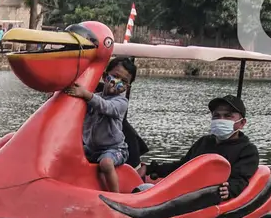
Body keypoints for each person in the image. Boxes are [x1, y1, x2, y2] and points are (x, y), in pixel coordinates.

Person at [138, 95, 259, 200]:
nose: (221, 120)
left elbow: (240, 179)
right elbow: (182, 167)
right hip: (190, 191)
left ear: (242, 123)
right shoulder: (204, 142)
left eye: (228, 116)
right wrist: (151, 169)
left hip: (213, 197)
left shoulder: (248, 150)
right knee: (143, 190)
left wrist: (230, 190)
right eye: (216, 116)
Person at [64, 56, 137, 194]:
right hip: (92, 148)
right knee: (68, 155)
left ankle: (116, 196)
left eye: (124, 81)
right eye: (115, 76)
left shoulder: (121, 103)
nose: (117, 82)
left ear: (127, 87)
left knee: (106, 163)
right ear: (105, 76)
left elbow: (106, 106)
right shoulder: (93, 97)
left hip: (114, 149)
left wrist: (86, 94)